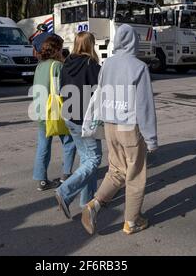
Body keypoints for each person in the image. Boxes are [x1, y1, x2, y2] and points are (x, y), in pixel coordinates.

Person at [81, 24, 158, 235]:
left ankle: (94, 204)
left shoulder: (108, 64)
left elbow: (101, 93)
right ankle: (132, 221)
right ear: (134, 41)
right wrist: (151, 138)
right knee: (135, 174)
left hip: (110, 126)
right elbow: (144, 105)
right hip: (129, 126)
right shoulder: (138, 66)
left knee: (116, 170)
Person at [54, 32, 102, 219]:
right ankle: (64, 192)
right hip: (85, 120)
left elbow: (61, 89)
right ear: (91, 44)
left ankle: (87, 200)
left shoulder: (67, 63)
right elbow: (101, 90)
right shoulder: (91, 65)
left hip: (70, 116)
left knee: (85, 158)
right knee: (94, 159)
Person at [31, 34, 77, 191]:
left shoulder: (39, 65)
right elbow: (60, 90)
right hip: (55, 111)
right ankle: (66, 175)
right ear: (56, 50)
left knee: (43, 145)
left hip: (40, 111)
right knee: (69, 141)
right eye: (61, 48)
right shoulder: (56, 66)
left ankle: (41, 180)